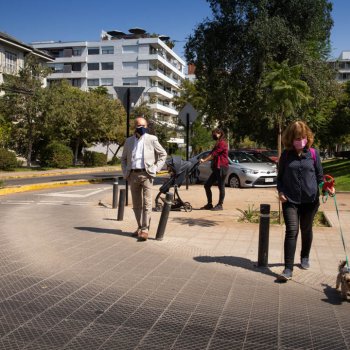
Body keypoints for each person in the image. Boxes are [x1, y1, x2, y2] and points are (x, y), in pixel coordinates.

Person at [277, 121, 335, 281]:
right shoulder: (286, 156)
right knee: (291, 231)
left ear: (307, 137)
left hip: (310, 200)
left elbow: (319, 177)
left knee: (306, 229)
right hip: (290, 200)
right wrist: (280, 192)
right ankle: (288, 269)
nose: (299, 140)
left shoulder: (314, 154)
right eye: (296, 138)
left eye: (302, 137)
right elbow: (279, 179)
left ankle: (304, 257)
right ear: (290, 139)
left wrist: (326, 188)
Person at [121, 117, 167, 241]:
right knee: (136, 204)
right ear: (134, 126)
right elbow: (123, 159)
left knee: (147, 203)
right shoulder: (129, 141)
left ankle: (145, 229)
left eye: (142, 125)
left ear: (146, 126)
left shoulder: (152, 139)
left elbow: (163, 154)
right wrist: (126, 172)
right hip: (133, 175)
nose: (140, 127)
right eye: (137, 125)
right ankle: (140, 226)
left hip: (147, 174)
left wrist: (156, 169)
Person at [199, 128, 229, 211]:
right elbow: (211, 152)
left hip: (222, 167)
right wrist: (203, 158)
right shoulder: (218, 142)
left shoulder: (222, 143)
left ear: (219, 133)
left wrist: (204, 160)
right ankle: (209, 204)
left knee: (221, 186)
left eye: (214, 134)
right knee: (207, 185)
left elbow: (214, 155)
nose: (213, 135)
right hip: (217, 168)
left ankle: (220, 205)